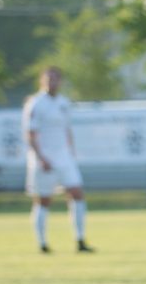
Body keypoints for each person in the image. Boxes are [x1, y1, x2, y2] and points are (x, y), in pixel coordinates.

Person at [22, 66, 94, 254]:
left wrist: (71, 152)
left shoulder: (64, 103)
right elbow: (30, 134)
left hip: (64, 157)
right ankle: (43, 243)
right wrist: (41, 158)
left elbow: (66, 130)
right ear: (42, 81)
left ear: (60, 81)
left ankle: (80, 240)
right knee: (44, 200)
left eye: (56, 79)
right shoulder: (36, 103)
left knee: (77, 193)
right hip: (44, 159)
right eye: (49, 78)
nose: (53, 82)